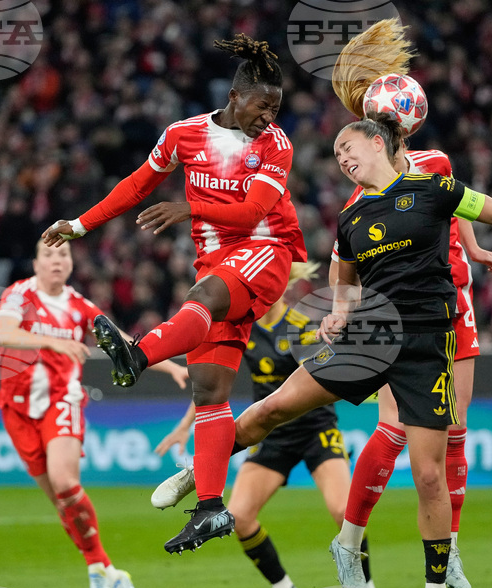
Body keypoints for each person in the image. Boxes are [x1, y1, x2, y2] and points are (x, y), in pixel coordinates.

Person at [232, 114, 492, 588]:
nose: (342, 158)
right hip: (368, 341)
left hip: (426, 349)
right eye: (336, 153)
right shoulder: (351, 218)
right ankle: (200, 473)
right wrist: (337, 314)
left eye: (348, 147)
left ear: (378, 143)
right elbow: (343, 283)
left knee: (428, 476)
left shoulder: (435, 189)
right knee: (278, 404)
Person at [42, 35, 307, 555]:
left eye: (276, 109)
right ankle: (210, 508)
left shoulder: (275, 146)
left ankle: (137, 355)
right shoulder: (183, 135)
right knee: (209, 392)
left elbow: (253, 215)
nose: (269, 117)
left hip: (265, 251)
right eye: (262, 105)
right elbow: (138, 184)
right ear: (235, 96)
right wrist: (79, 224)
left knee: (203, 296)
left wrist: (189, 210)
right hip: (218, 260)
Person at [326, 18, 492, 588]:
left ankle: (447, 549)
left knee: (456, 431)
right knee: (393, 427)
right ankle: (350, 537)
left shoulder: (438, 164)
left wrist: (477, 251)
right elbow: (341, 257)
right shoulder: (361, 192)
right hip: (399, 311)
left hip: (454, 300)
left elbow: (458, 213)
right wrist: (344, 310)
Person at [152, 263, 384, 588]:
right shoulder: (244, 328)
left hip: (315, 430)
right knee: (240, 517)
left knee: (343, 512)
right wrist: (186, 426)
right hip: (269, 435)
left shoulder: (303, 324)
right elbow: (212, 386)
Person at [0, 240, 188, 588]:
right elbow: (4, 334)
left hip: (62, 401)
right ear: (36, 262)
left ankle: (99, 571)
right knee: (62, 505)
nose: (56, 261)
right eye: (48, 255)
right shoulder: (19, 295)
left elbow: (123, 344)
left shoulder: (80, 307)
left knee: (66, 483)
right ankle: (105, 570)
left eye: (63, 255)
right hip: (16, 408)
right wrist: (51, 341)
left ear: (70, 264)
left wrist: (170, 366)